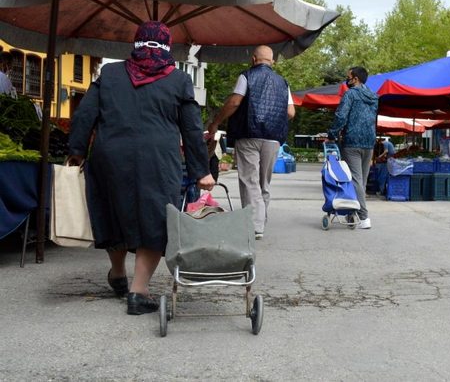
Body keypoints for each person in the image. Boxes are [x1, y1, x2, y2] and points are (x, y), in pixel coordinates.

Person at [67, 21, 214, 316]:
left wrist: (77, 151)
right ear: (167, 46)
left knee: (114, 211)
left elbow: (85, 115)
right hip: (157, 160)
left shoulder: (109, 74)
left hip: (110, 156)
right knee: (156, 220)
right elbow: (192, 129)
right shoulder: (179, 80)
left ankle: (118, 273)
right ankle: (138, 290)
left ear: (136, 44)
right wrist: (202, 171)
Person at [206, 45, 294, 240]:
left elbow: (235, 102)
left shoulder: (246, 76)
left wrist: (216, 122)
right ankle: (260, 221)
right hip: (273, 139)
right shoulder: (283, 82)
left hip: (248, 135)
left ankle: (254, 225)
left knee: (249, 180)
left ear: (254, 59)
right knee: (264, 182)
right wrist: (273, 122)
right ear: (272, 62)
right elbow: (290, 112)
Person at [327, 66, 378, 229]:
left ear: (355, 79)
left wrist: (332, 134)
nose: (346, 80)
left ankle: (364, 217)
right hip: (369, 141)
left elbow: (341, 115)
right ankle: (353, 213)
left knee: (355, 179)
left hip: (352, 141)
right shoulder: (373, 97)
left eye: (348, 77)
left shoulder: (350, 94)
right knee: (361, 180)